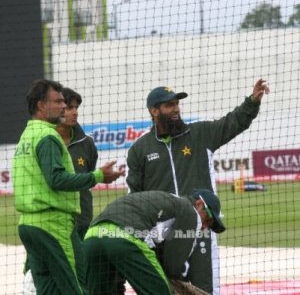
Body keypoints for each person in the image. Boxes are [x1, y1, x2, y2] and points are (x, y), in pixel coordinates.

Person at [126, 78, 270, 294]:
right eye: (169, 105)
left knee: (205, 288)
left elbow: (233, 122)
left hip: (201, 226)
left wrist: (252, 101)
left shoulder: (200, 133)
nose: (175, 109)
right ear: (154, 111)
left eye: (177, 104)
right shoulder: (140, 149)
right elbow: (134, 196)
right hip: (163, 235)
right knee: (166, 289)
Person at [12, 79, 124, 295]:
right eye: (59, 101)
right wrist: (98, 175)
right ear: (41, 105)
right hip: (54, 226)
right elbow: (57, 180)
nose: (64, 106)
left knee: (48, 290)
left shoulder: (26, 136)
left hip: (28, 226)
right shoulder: (48, 137)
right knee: (78, 287)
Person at [83, 189, 225, 295]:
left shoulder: (168, 201)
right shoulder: (190, 212)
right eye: (208, 220)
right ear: (199, 204)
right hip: (124, 238)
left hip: (92, 237)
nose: (205, 226)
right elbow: (173, 266)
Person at [56, 87, 98, 240]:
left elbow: (88, 177)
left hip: (83, 219)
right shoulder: (44, 141)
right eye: (69, 108)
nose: (75, 112)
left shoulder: (87, 143)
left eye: (76, 107)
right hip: (54, 222)